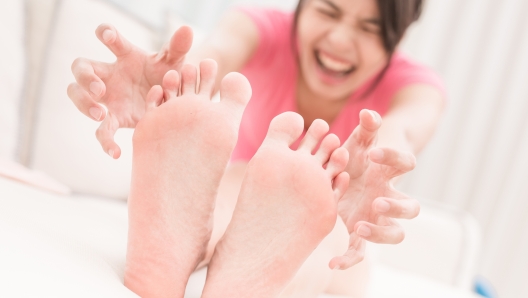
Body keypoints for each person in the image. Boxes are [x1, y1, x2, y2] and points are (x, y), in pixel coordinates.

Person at [67, 0, 445, 296]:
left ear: (398, 37)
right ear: (302, 6)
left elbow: (405, 128)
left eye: (370, 29)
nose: (341, 40)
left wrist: (381, 158)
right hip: (241, 190)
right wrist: (171, 85)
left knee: (332, 232)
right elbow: (219, 52)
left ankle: (221, 259)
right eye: (328, 11)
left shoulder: (415, 84)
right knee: (240, 183)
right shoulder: (261, 27)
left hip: (337, 214)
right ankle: (199, 255)